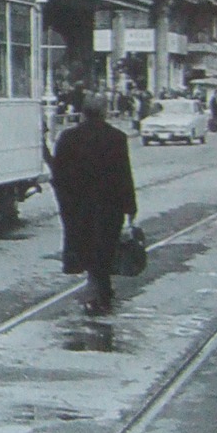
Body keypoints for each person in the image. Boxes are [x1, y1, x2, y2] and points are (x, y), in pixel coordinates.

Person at [47, 92, 139, 316]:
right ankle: (100, 289)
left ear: (84, 112)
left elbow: (58, 174)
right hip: (109, 206)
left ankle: (97, 287)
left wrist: (64, 202)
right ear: (105, 112)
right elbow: (123, 174)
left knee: (85, 245)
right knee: (105, 247)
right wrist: (130, 206)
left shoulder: (68, 138)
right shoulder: (116, 138)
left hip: (78, 207)